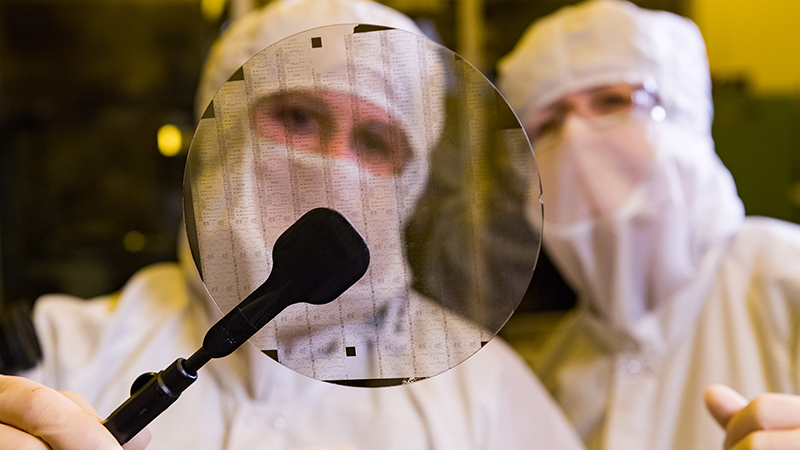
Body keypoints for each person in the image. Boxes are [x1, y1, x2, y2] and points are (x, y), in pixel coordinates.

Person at [0, 0, 587, 449]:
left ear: (410, 183)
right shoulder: (59, 351)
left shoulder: (484, 394)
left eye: (374, 142)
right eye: (299, 117)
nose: (334, 166)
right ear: (223, 132)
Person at [497, 1, 800, 449]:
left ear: (684, 117)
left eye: (611, 101)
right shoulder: (552, 376)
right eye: (548, 123)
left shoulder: (784, 278)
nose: (576, 135)